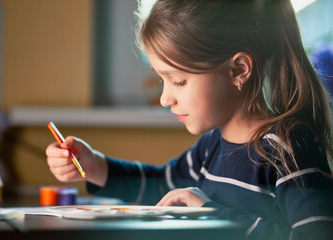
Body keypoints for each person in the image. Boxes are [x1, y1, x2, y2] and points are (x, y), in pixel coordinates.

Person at [46, 0, 333, 239]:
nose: (164, 98)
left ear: (238, 70)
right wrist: (95, 166)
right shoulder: (211, 146)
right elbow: (162, 186)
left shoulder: (289, 149)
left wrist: (216, 216)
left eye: (179, 81)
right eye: (162, 81)